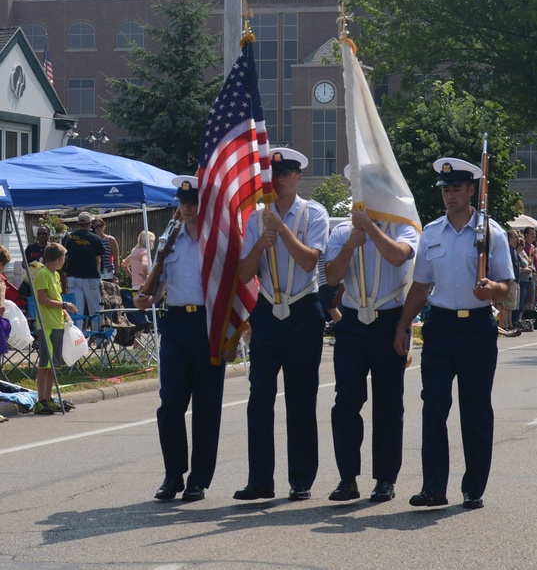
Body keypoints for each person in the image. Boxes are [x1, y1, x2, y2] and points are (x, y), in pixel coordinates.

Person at [392, 156, 514, 510]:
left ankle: (473, 486)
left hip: (476, 327)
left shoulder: (492, 232)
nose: (450, 195)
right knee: (433, 405)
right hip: (441, 327)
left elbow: (508, 286)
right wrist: (403, 325)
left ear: (472, 190)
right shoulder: (431, 233)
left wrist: (492, 288)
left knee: (475, 410)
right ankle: (434, 486)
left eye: (456, 188)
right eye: (445, 190)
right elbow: (420, 286)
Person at [235, 148, 329, 502]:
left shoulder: (313, 213)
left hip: (303, 310)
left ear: (299, 176)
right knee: (259, 396)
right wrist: (261, 241)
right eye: (274, 173)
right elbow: (245, 274)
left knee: (301, 399)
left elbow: (309, 262)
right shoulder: (255, 219)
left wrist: (281, 230)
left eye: (287, 172)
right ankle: (260, 479)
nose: (279, 178)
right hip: (267, 311)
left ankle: (301, 479)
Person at [324, 179, 419, 504]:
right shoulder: (341, 233)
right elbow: (333, 277)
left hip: (389, 321)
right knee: (346, 401)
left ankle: (385, 479)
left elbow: (398, 257)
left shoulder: (402, 226)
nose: (362, 195)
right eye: (358, 189)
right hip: (352, 323)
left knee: (389, 404)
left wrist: (370, 229)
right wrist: (352, 242)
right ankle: (347, 477)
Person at [136, 177, 231, 502]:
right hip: (176, 323)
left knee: (207, 407)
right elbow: (159, 282)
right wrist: (147, 296)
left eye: (193, 203)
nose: (188, 208)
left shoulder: (216, 240)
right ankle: (173, 475)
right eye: (183, 202)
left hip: (208, 324)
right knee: (171, 404)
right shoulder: (169, 238)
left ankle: (198, 480)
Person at [32, 243, 77, 415]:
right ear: (60, 258)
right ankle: (40, 400)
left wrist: (64, 312)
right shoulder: (43, 274)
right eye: (64, 257)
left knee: (53, 366)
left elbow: (55, 297)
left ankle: (49, 398)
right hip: (47, 325)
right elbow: (43, 299)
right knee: (44, 364)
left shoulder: (56, 275)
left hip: (57, 323)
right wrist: (64, 304)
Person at [63, 211, 103, 324]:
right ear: (90, 223)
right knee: (96, 311)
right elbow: (98, 259)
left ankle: (77, 339)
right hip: (91, 277)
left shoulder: (69, 237)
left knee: (76, 311)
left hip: (73, 278)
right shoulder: (95, 238)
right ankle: (98, 338)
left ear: (78, 223)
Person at [92, 217, 120, 282]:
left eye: (100, 226)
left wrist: (116, 275)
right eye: (96, 226)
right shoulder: (91, 240)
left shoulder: (110, 240)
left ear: (104, 226)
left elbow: (116, 258)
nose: (98, 228)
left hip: (108, 273)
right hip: (93, 274)